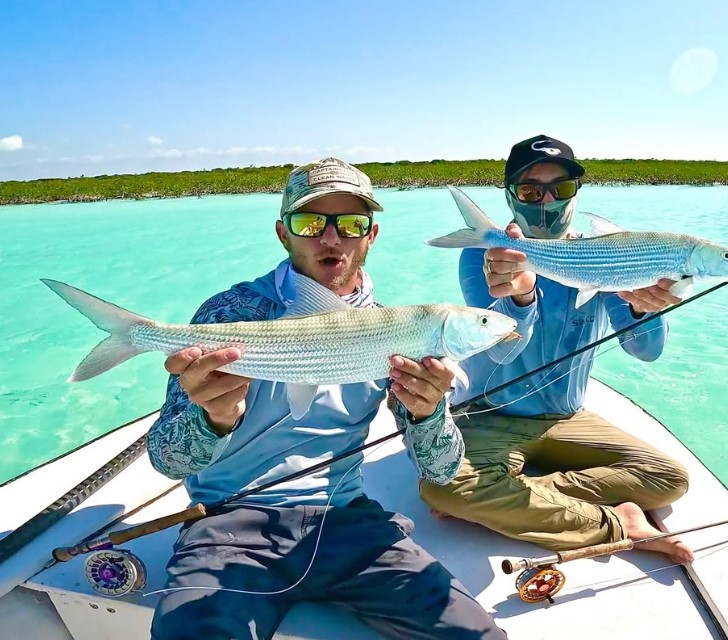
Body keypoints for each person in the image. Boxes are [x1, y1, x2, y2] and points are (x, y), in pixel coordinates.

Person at [147, 157, 507, 640]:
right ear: (283, 233)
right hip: (229, 525)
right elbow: (167, 461)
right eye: (310, 222)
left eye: (351, 223)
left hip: (348, 521)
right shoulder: (229, 314)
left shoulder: (398, 329)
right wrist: (212, 419)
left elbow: (441, 470)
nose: (331, 238)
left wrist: (427, 413)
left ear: (371, 235)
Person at [419, 134, 694, 564]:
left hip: (568, 417)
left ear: (576, 193)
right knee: (439, 486)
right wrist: (522, 300)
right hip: (491, 416)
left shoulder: (603, 254)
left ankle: (511, 497)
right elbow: (502, 353)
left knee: (668, 478)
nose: (545, 200)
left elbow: (645, 351)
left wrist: (645, 309)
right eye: (530, 190)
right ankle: (619, 523)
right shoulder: (486, 255)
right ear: (511, 197)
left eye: (559, 188)